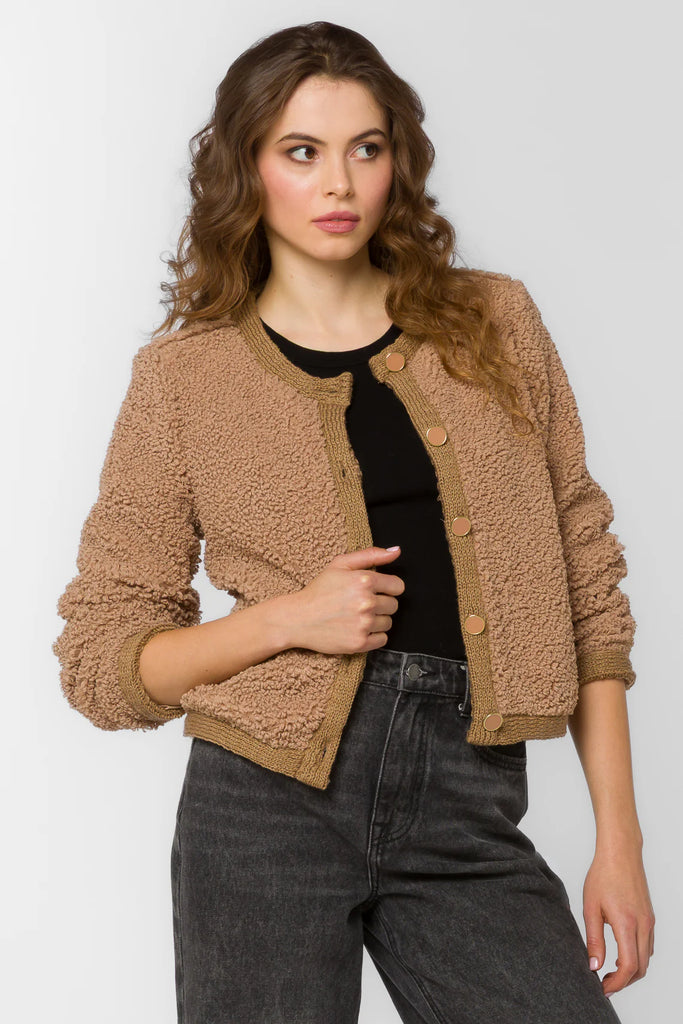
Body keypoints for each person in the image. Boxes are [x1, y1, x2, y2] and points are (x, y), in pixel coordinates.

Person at [52, 20, 655, 1024]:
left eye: (364, 149)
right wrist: (283, 621)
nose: (338, 183)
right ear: (246, 167)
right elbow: (99, 661)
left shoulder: (496, 324)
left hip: (465, 795)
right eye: (301, 152)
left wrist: (618, 844)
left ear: (396, 162)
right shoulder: (184, 381)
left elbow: (585, 581)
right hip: (264, 806)